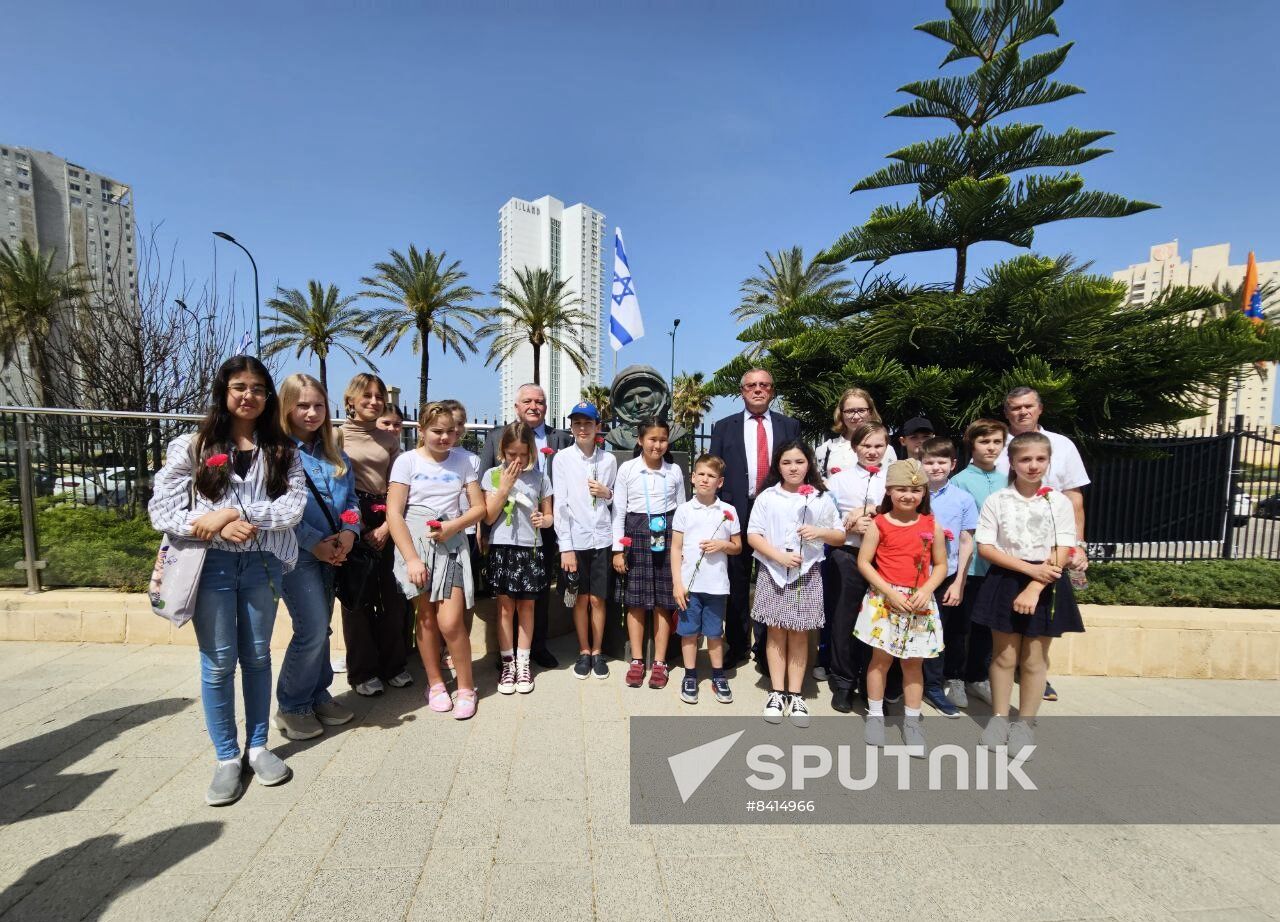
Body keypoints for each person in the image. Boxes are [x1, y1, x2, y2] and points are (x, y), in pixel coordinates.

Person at [148, 356, 306, 806]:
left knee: (257, 656)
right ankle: (226, 758)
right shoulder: (192, 445)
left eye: (258, 388)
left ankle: (258, 747)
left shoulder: (282, 450)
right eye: (240, 386)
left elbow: (291, 510)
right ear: (224, 391)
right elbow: (161, 510)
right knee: (218, 662)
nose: (249, 396)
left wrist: (235, 512)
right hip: (210, 566)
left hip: (262, 565)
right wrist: (213, 524)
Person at [974, 431, 1084, 758]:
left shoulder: (1058, 501)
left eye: (1040, 459)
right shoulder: (998, 500)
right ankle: (999, 718)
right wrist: (1027, 571)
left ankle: (1024, 724)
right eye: (1025, 459)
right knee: (1004, 655)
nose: (1033, 465)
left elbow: (1064, 546)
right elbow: (986, 547)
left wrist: (1037, 584)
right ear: (1012, 462)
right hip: (1006, 578)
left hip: (1047, 580)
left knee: (1034, 658)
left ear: (1048, 462)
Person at [387, 401, 486, 719]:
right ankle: (436, 683)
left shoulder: (464, 461)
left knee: (450, 621)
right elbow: (394, 512)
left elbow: (478, 508)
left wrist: (451, 527)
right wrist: (412, 559)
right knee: (427, 619)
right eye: (437, 431)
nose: (445, 438)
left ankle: (467, 687)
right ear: (422, 430)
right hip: (415, 544)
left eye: (449, 432)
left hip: (451, 545)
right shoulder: (406, 462)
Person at [273, 374, 358, 740]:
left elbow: (351, 502)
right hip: (297, 554)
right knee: (309, 629)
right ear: (287, 407)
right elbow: (274, 511)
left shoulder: (334, 454)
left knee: (321, 627)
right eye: (302, 405)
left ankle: (317, 694)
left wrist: (350, 534)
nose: (311, 413)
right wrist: (316, 544)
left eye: (318, 405)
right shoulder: (275, 452)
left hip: (334, 552)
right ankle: (292, 705)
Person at [997, 385, 1090, 701]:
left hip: (1053, 550)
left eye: (1027, 406)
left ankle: (1036, 677)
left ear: (1040, 409)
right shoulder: (997, 444)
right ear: (1006, 412)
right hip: (1006, 550)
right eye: (1014, 408)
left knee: (1039, 629)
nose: (1021, 412)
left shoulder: (1062, 446)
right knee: (1002, 628)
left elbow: (1074, 496)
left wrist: (1078, 544)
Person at [708, 368, 802, 670]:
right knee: (735, 580)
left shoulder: (789, 426)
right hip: (736, 511)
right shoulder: (724, 427)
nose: (757, 390)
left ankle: (766, 649)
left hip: (775, 513)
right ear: (742, 391)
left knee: (772, 579)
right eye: (751, 385)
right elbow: (714, 470)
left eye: (764, 385)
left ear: (772, 391)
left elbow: (798, 467)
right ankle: (737, 645)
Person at [747, 441, 844, 727]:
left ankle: (796, 693)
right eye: (787, 462)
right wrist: (778, 556)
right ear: (778, 465)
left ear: (809, 464)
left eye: (799, 462)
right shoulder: (768, 497)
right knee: (776, 631)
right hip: (773, 570)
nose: (793, 468)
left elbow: (839, 536)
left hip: (807, 573)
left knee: (800, 634)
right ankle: (777, 692)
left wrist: (819, 531)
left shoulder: (820, 498)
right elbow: (754, 534)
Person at [854, 459, 947, 754]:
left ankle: (911, 721)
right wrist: (888, 592)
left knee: (913, 664)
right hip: (885, 601)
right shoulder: (879, 523)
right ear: (889, 490)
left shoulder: (932, 525)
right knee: (880, 661)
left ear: (923, 493)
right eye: (902, 489)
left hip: (919, 602)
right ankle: (875, 716)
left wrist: (927, 589)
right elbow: (864, 562)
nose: (909, 495)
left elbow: (941, 565)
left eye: (915, 490)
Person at [480, 384, 574, 667]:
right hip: (504, 533)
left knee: (538, 592)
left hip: (541, 528)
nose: (534, 406)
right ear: (516, 406)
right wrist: (483, 532)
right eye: (528, 401)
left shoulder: (561, 439)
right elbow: (485, 489)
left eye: (540, 401)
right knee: (506, 598)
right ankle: (507, 655)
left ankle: (537, 647)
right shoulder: (496, 436)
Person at [337, 373, 411, 697]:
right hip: (351, 514)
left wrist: (384, 527)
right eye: (365, 395)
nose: (373, 401)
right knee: (358, 597)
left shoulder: (389, 439)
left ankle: (393, 665)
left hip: (388, 514)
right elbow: (335, 486)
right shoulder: (337, 437)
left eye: (378, 396)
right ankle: (362, 672)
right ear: (350, 400)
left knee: (393, 596)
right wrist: (358, 527)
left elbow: (398, 486)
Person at [612, 418, 685, 689]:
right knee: (636, 600)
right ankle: (637, 660)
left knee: (664, 602)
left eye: (662, 439)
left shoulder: (674, 471)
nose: (657, 445)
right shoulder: (628, 469)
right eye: (652, 439)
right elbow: (619, 510)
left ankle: (661, 663)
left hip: (666, 534)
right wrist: (618, 549)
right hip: (635, 533)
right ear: (640, 440)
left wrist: (683, 549)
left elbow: (681, 511)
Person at [822, 421, 890, 712]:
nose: (872, 451)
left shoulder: (893, 477)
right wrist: (850, 525)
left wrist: (868, 511)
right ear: (854, 447)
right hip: (847, 554)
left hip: (885, 559)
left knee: (880, 622)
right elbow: (826, 519)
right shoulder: (839, 480)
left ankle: (873, 684)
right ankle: (843, 681)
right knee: (844, 619)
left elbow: (906, 507)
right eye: (866, 445)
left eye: (878, 445)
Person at [483, 422, 555, 695]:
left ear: (531, 452)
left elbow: (549, 516)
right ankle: (507, 663)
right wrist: (506, 486)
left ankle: (524, 663)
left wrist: (544, 519)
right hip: (502, 546)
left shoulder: (540, 478)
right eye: (511, 453)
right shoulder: (492, 475)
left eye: (522, 454)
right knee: (504, 608)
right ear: (502, 450)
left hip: (530, 547)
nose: (517, 460)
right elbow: (489, 516)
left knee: (527, 608)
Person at [552, 401, 617, 680]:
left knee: (598, 599)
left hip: (601, 538)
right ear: (571, 427)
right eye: (577, 423)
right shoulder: (562, 459)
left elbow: (615, 500)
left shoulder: (609, 460)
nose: (582, 428)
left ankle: (598, 651)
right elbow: (560, 506)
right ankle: (583, 650)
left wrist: (607, 493)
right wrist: (565, 547)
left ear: (597, 427)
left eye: (588, 423)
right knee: (579, 599)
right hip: (575, 541)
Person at [671, 454, 742, 705]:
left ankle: (718, 675)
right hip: (689, 586)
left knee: (714, 633)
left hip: (716, 586)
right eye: (700, 474)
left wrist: (723, 545)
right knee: (689, 633)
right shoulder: (684, 510)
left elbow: (738, 547)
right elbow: (675, 548)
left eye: (711, 476)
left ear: (720, 482)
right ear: (692, 478)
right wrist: (677, 583)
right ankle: (690, 675)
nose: (705, 479)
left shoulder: (728, 511)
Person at [948, 418, 1009, 708]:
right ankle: (955, 677)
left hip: (998, 566)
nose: (991, 447)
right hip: (969, 567)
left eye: (997, 441)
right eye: (985, 441)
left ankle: (977, 676)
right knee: (960, 626)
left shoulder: (1008, 480)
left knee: (986, 626)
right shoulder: (959, 481)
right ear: (972, 444)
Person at [918, 437, 978, 719]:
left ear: (953, 465)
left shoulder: (963, 499)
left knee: (936, 633)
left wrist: (959, 582)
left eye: (941, 462)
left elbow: (967, 541)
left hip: (946, 575)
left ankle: (933, 686)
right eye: (929, 462)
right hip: (910, 575)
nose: (935, 467)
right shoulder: (912, 495)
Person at [441, 398, 480, 677]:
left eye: (459, 424)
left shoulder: (471, 459)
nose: (454, 430)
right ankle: (441, 649)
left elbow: (476, 502)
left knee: (465, 596)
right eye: (449, 424)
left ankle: (458, 647)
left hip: (467, 533)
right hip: (438, 535)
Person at [815, 387, 898, 478]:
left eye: (862, 410)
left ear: (870, 412)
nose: (856, 416)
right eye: (850, 411)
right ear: (841, 414)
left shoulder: (886, 450)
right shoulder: (826, 449)